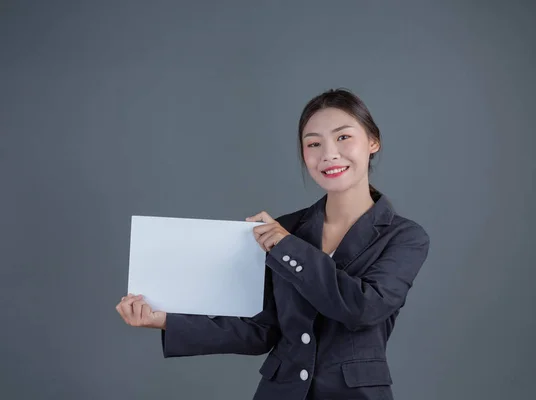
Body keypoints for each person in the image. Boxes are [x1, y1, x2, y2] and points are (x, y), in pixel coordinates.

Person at [116, 88, 430, 400]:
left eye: (343, 137)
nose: (329, 154)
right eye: (313, 143)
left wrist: (288, 247)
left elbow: (362, 307)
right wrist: (164, 320)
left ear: (373, 141)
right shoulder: (288, 228)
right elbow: (260, 330)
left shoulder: (404, 237)